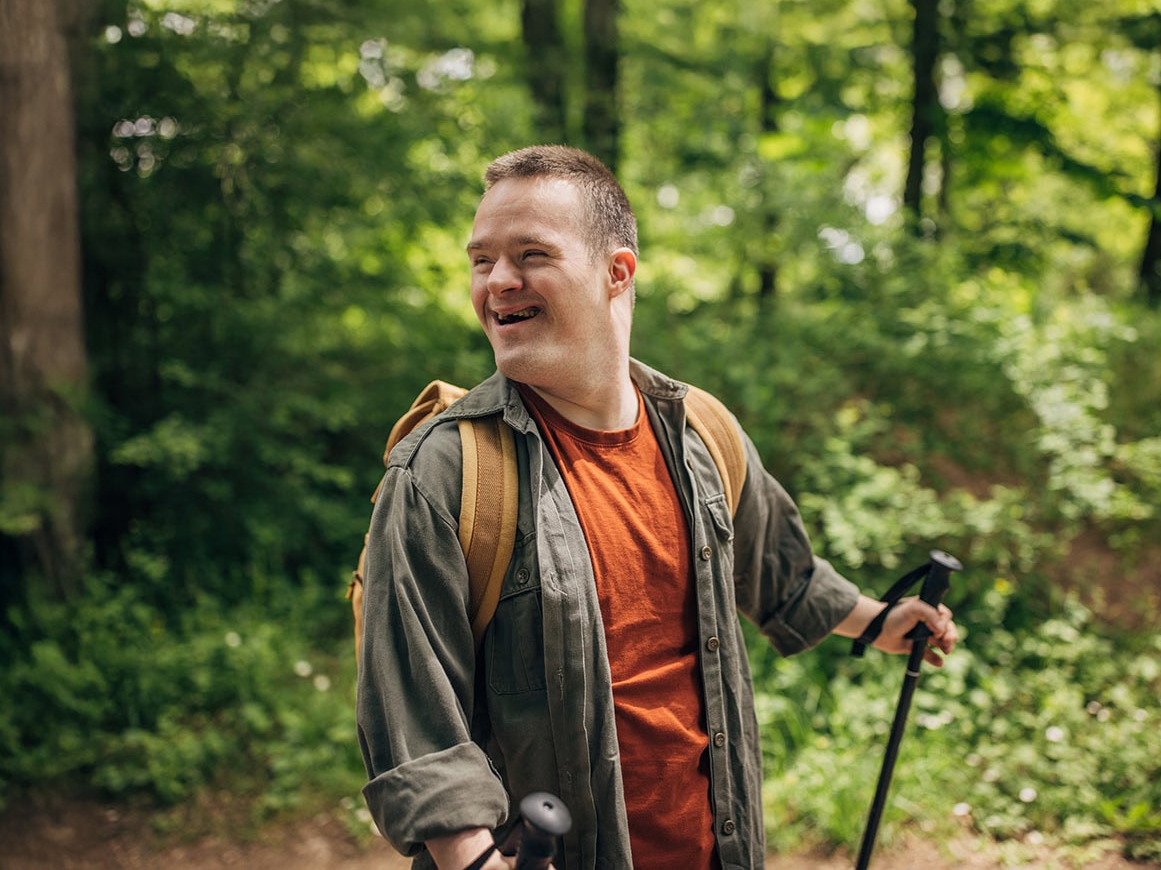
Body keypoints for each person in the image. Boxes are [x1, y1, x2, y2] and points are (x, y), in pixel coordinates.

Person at [354, 146, 960, 870]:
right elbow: (416, 717)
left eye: (530, 254)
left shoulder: (700, 432)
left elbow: (779, 572)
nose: (498, 282)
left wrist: (881, 621)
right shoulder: (444, 471)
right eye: (482, 260)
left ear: (617, 272)